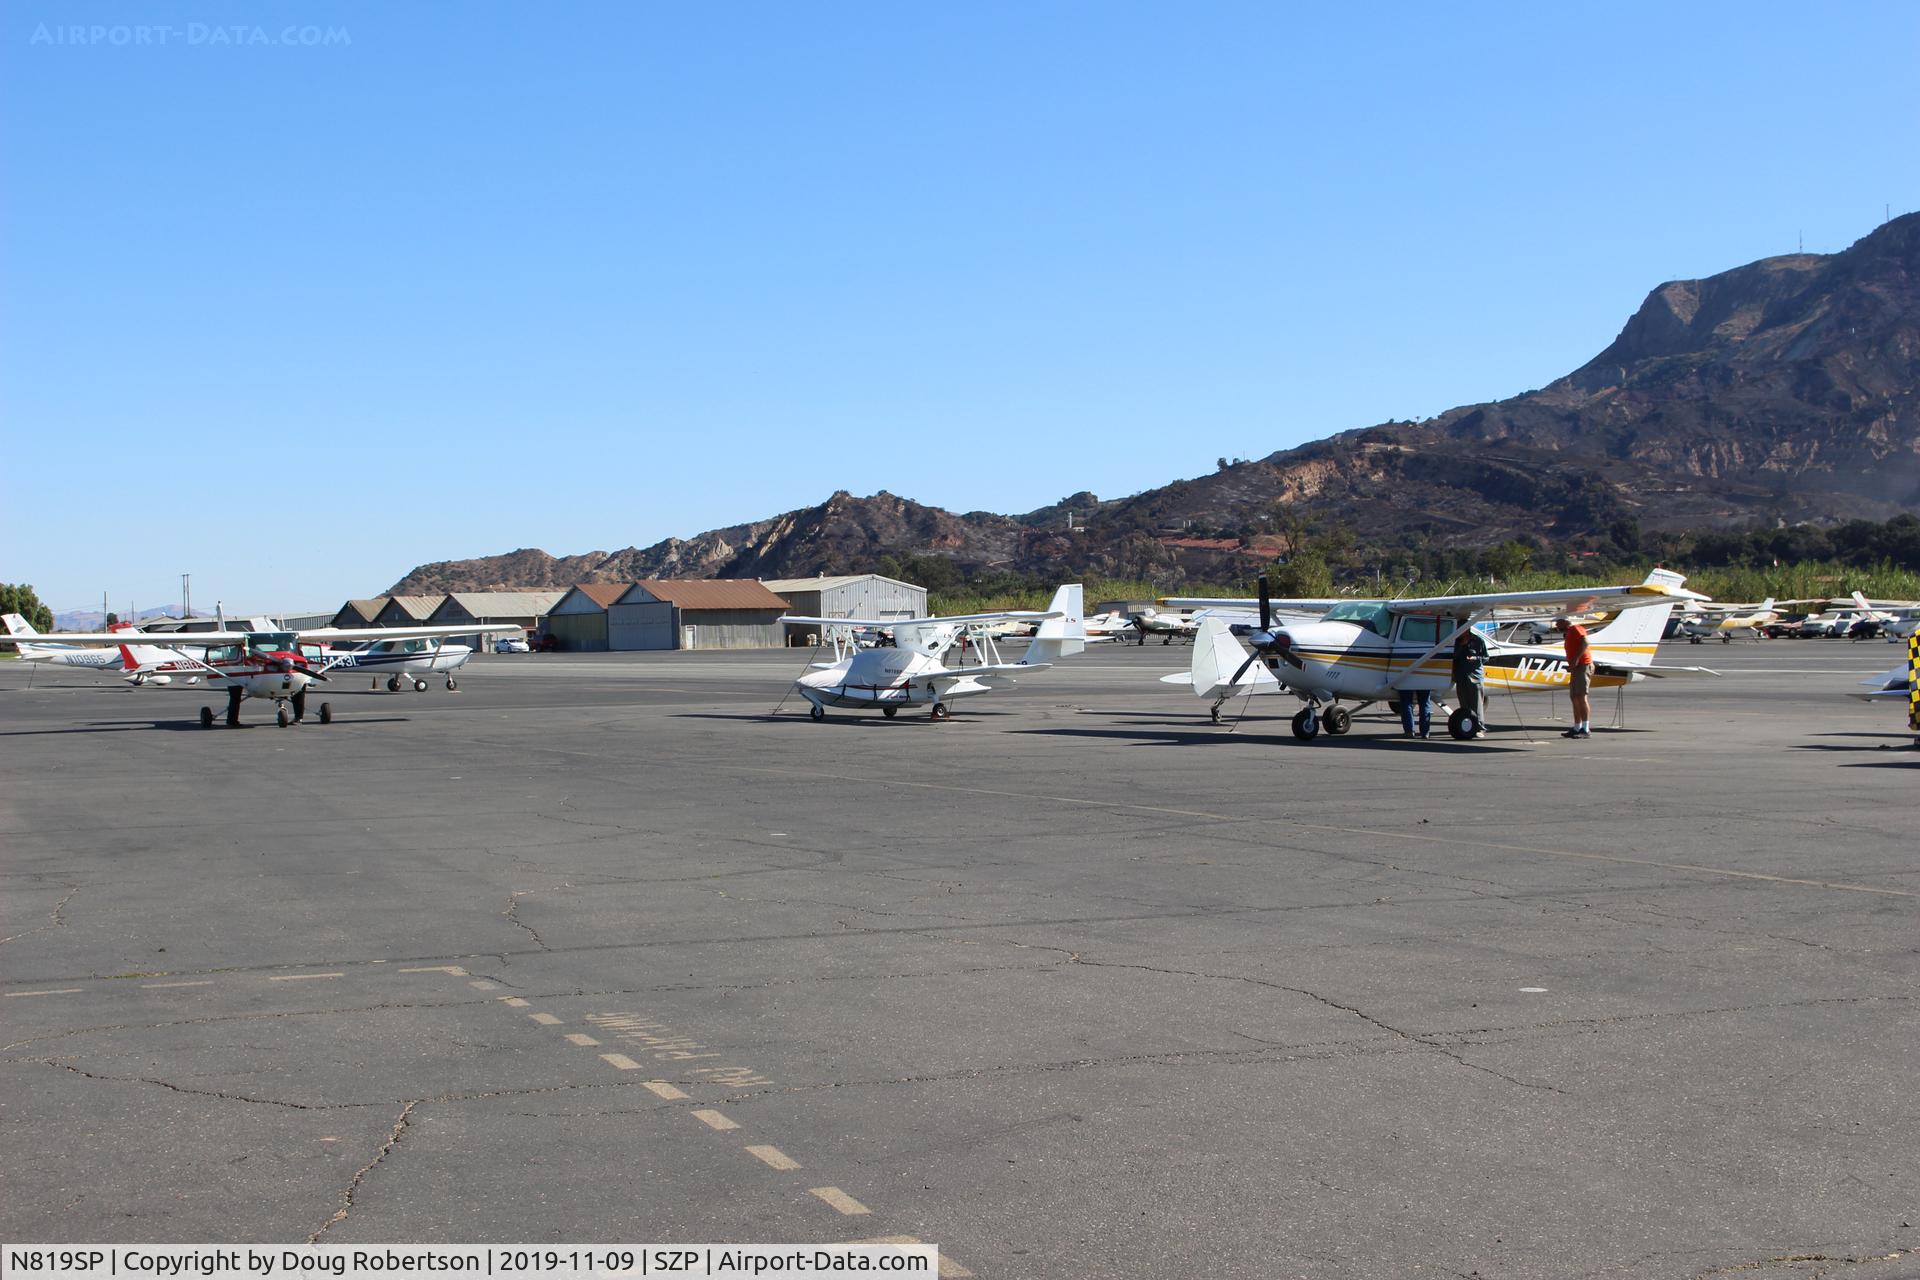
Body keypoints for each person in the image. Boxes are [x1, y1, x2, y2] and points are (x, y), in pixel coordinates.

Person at [1554, 616, 1593, 738]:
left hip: (1583, 666)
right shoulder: (1569, 632)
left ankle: (1585, 729)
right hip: (1576, 667)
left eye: (1558, 622)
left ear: (1565, 621)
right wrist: (1572, 665)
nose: (1556, 625)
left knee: (1581, 696)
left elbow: (1585, 641)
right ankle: (1577, 727)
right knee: (1574, 697)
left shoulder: (1576, 628)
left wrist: (1576, 659)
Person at [1451, 625, 1487, 736]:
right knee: (1464, 703)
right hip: (1461, 676)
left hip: (1475, 676)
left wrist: (1475, 658)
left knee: (1476, 704)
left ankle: (1479, 727)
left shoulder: (1478, 640)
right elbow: (1452, 656)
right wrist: (1461, 646)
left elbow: (1485, 657)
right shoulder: (1456, 641)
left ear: (1467, 629)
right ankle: (1468, 725)